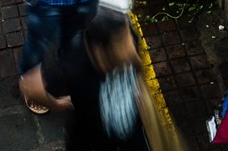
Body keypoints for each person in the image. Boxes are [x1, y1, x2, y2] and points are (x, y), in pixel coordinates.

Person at [21, 9, 161, 150]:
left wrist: (137, 89)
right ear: (100, 52)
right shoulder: (74, 66)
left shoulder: (128, 38)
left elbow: (136, 63)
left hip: (131, 134)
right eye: (122, 44)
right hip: (92, 140)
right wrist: (58, 105)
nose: (130, 50)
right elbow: (31, 87)